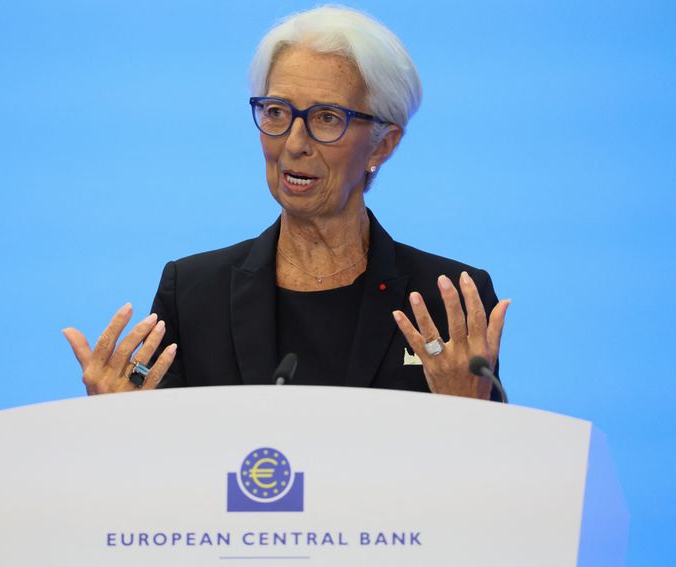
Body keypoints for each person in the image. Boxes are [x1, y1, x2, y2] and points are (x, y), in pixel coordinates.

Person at [63, 6, 510, 400]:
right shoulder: (195, 294)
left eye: (327, 117)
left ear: (382, 144)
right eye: (276, 112)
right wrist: (120, 425)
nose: (294, 143)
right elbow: (168, 471)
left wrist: (468, 413)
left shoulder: (447, 299)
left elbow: (493, 480)